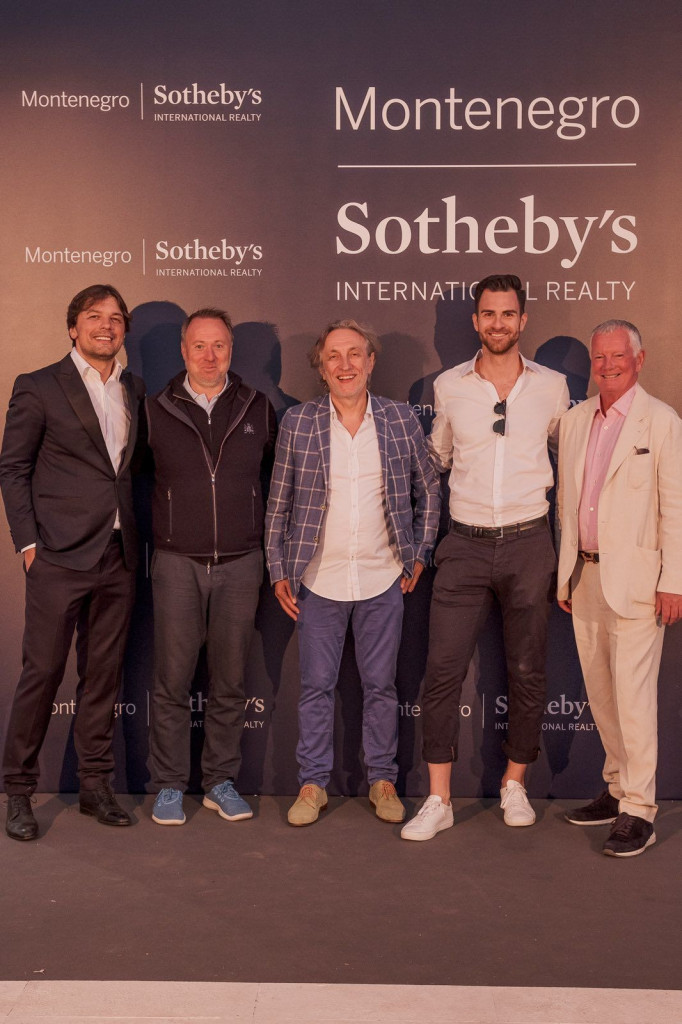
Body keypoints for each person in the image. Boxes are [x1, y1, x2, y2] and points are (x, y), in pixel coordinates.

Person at [402, 274, 570, 841]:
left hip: (529, 542)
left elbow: (568, 460)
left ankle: (514, 784)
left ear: (523, 320)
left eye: (508, 314)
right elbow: (437, 460)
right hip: (464, 545)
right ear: (475, 321)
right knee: (442, 672)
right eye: (489, 314)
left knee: (527, 669)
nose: (499, 323)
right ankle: (439, 798)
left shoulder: (553, 387)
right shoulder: (448, 386)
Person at [265, 319, 439, 826]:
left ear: (370, 361)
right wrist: (278, 567)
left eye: (355, 354)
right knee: (316, 687)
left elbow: (428, 488)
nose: (345, 365)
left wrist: (420, 552)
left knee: (381, 687)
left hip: (383, 576)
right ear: (321, 368)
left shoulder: (400, 419)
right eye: (334, 356)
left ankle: (382, 780)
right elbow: (278, 504)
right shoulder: (298, 423)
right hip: (317, 579)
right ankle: (313, 784)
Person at [0, 284, 145, 840]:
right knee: (41, 674)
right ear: (73, 327)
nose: (106, 326)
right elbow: (13, 468)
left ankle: (94, 786)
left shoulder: (133, 387)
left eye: (115, 318)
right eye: (94, 316)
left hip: (118, 556)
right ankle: (18, 791)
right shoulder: (38, 385)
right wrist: (28, 545)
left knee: (103, 677)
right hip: (57, 557)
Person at [146, 307, 277, 826]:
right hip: (177, 562)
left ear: (231, 350)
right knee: (172, 682)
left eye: (218, 345)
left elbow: (276, 481)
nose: (209, 355)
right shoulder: (155, 409)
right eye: (199, 345)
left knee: (229, 681)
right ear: (183, 351)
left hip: (241, 563)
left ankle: (220, 781)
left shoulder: (257, 406)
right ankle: (168, 785)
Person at [557, 319, 682, 857]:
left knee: (633, 700)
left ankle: (640, 810)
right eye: (599, 357)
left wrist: (674, 580)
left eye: (618, 356)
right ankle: (615, 789)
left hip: (639, 583)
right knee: (603, 697)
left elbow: (676, 507)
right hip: (584, 575)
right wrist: (565, 571)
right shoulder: (575, 420)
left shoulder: (662, 421)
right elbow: (568, 501)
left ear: (640, 359)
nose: (607, 366)